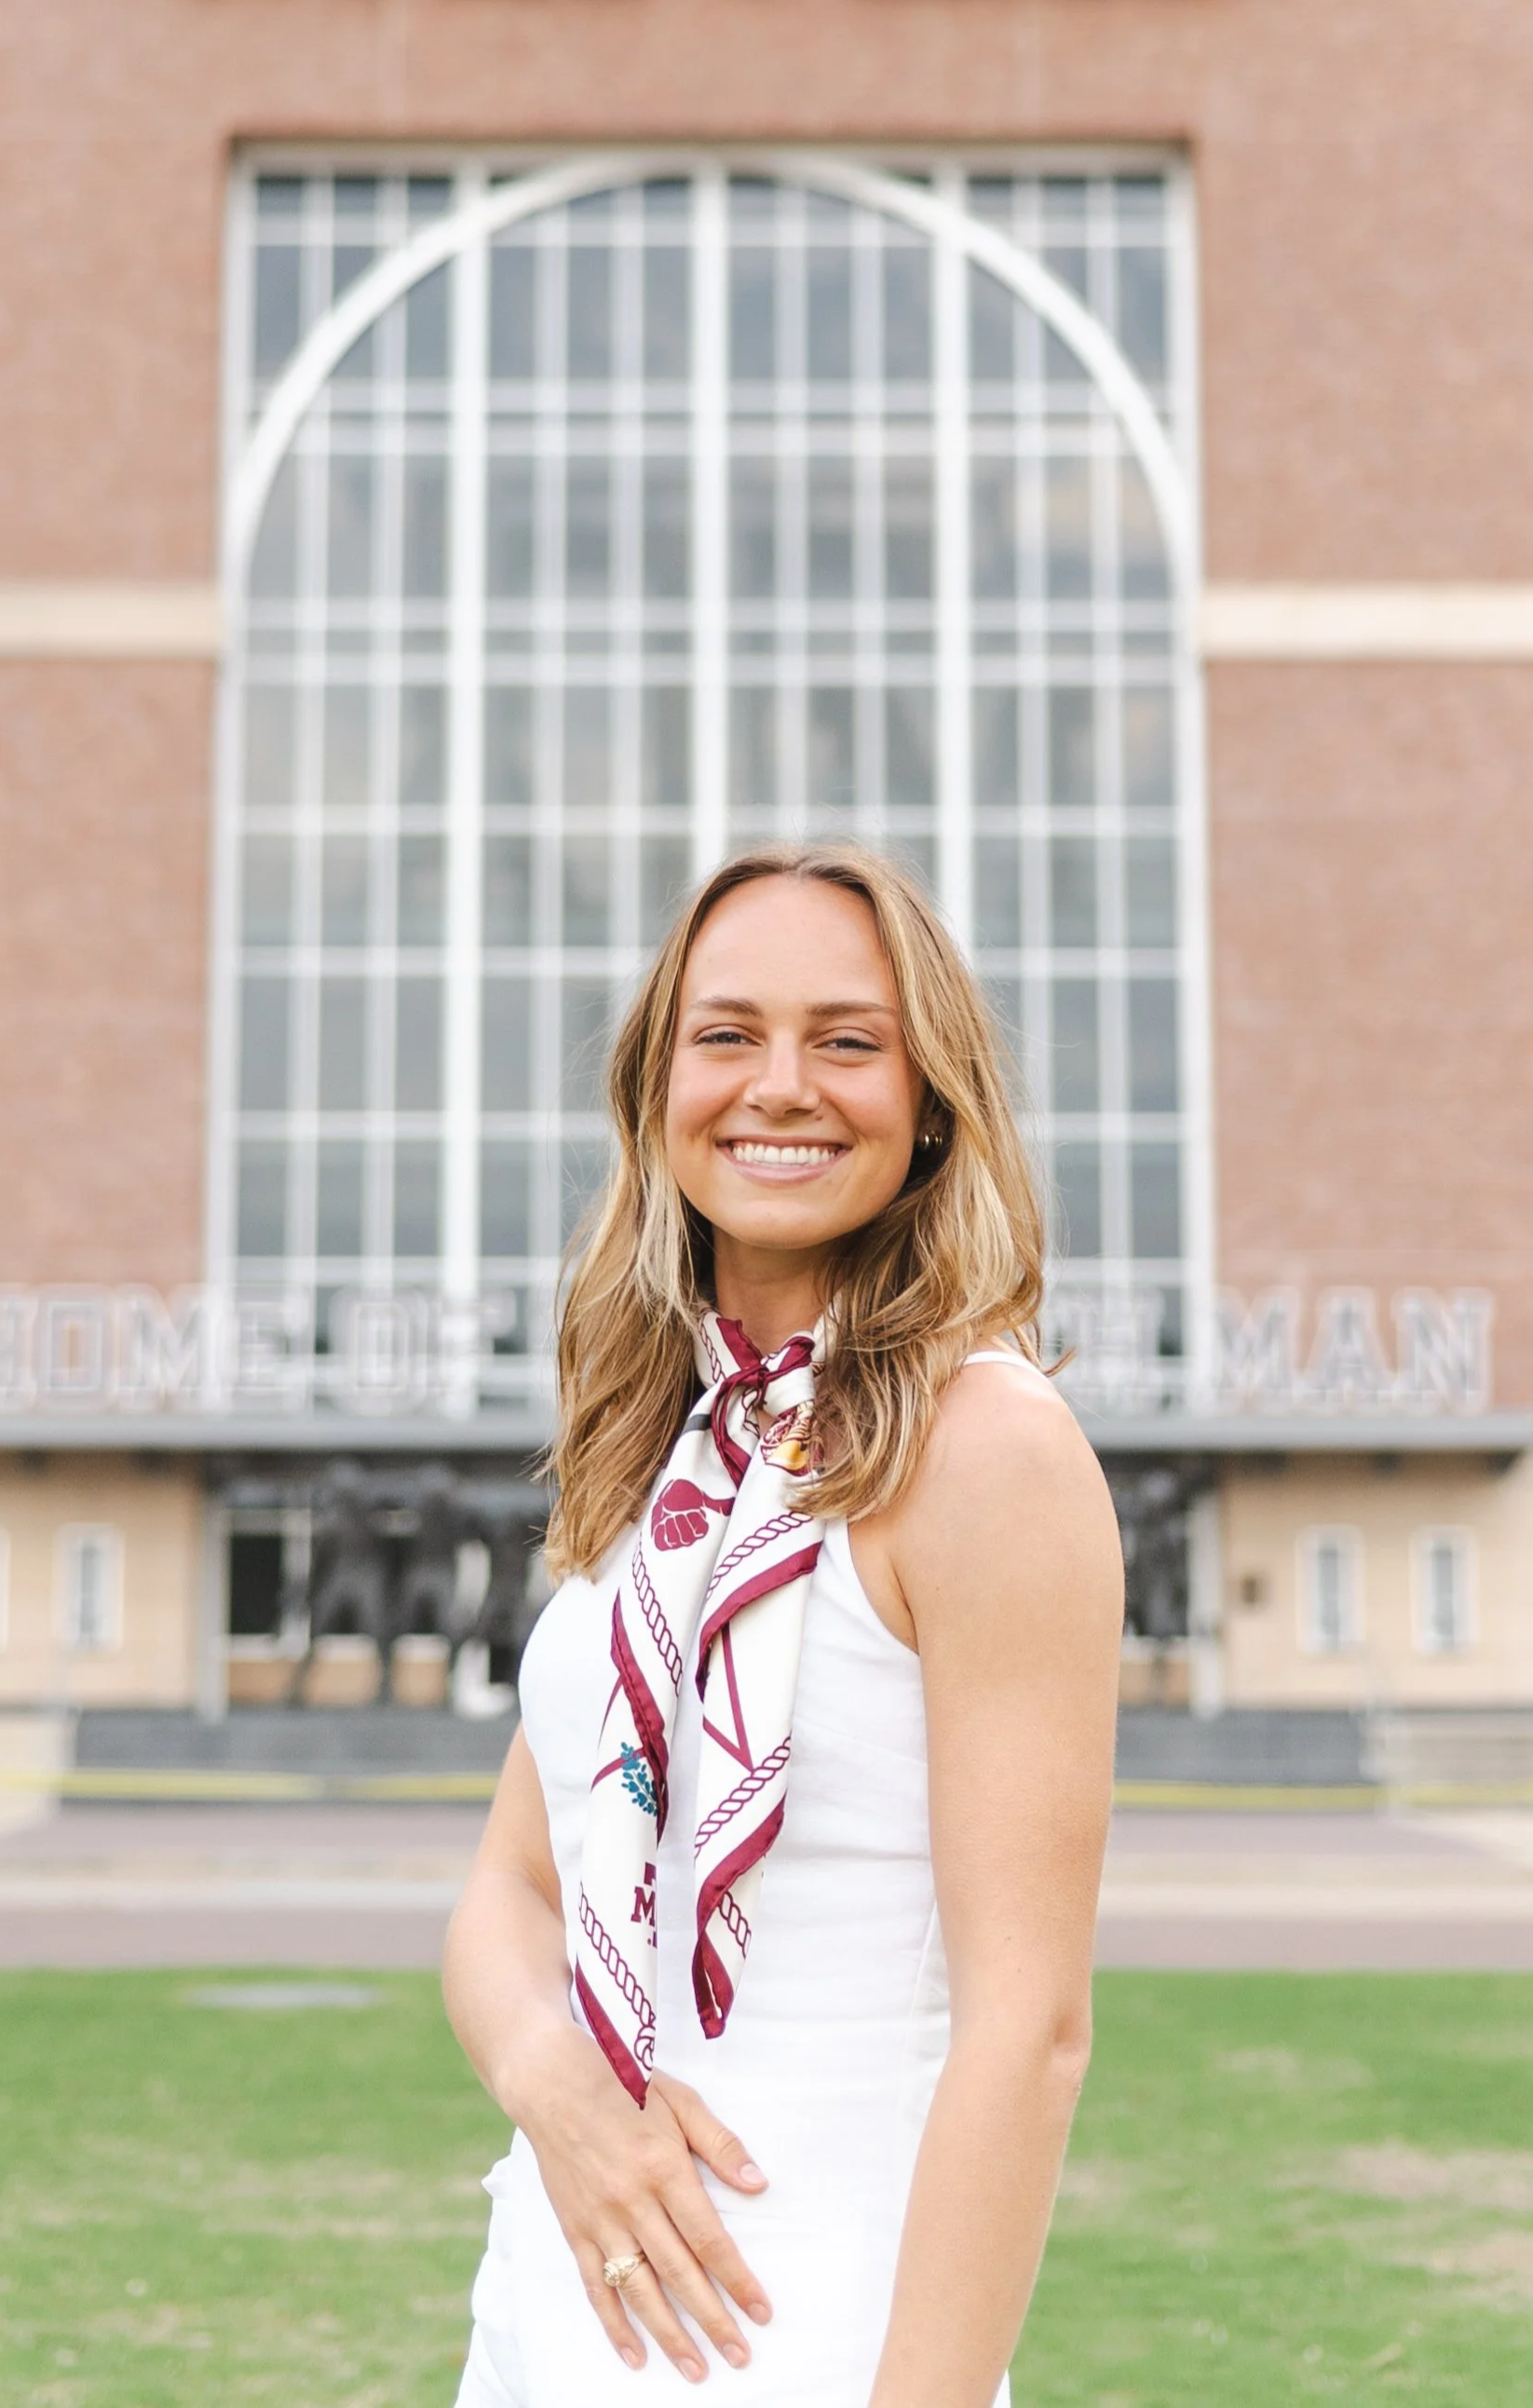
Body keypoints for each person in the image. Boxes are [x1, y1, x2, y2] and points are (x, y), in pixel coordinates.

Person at [443, 844, 1122, 2408]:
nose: (781, 1086)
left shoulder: (987, 1448)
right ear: (655, 1088)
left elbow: (1031, 2034)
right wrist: (559, 2095)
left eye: (847, 1039)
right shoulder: (662, 1457)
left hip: (818, 2329)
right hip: (550, 2311)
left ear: (930, 1097)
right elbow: (509, 1888)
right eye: (728, 1034)